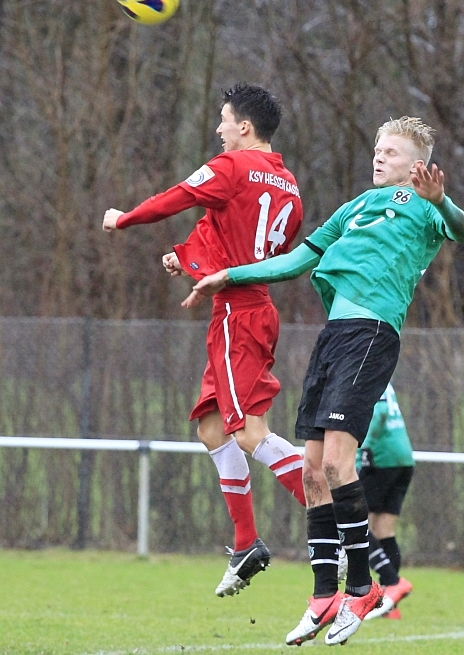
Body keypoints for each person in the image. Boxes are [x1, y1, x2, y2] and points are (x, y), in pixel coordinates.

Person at [182, 116, 464, 646]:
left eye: (392, 151)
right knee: (313, 470)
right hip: (333, 337)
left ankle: (362, 588)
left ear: (417, 165)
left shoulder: (425, 206)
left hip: (372, 333)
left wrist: (442, 201)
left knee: (338, 464)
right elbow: (295, 261)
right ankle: (323, 596)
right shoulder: (353, 208)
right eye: (377, 148)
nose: (379, 156)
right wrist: (230, 275)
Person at [102, 83, 307, 597]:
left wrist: (124, 219)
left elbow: (179, 196)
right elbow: (242, 241)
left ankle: (342, 520)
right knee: (213, 430)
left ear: (244, 126)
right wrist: (191, 259)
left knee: (251, 433)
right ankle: (246, 544)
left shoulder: (232, 166)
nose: (218, 129)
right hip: (243, 310)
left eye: (224, 120)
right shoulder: (288, 184)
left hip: (240, 315)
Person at [357, 382, 415, 621]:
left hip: (380, 459)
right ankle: (389, 605)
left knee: (352, 521)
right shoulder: (383, 376)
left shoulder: (364, 371)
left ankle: (392, 582)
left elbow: (379, 412)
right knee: (384, 530)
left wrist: (365, 447)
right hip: (402, 457)